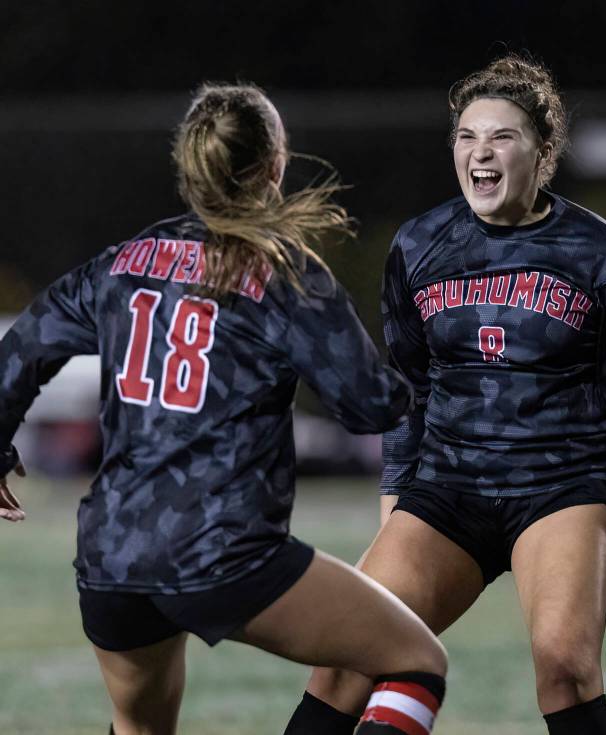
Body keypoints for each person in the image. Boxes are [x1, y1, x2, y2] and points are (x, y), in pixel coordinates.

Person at [0, 83, 450, 735]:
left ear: (188, 168)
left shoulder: (123, 261)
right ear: (275, 165)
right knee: (415, 661)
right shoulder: (283, 272)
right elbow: (366, 405)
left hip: (114, 558)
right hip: (226, 552)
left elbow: (19, 352)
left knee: (140, 727)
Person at [284, 54, 606, 735]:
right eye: (467, 136)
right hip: (450, 487)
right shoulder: (420, 244)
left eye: (502, 137)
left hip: (561, 487)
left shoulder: (604, 256)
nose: (481, 151)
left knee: (564, 669)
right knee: (344, 656)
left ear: (543, 154)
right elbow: (408, 383)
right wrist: (398, 493)